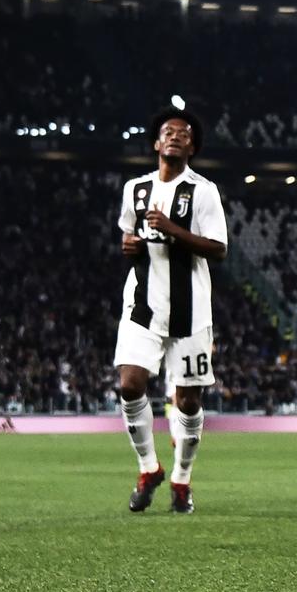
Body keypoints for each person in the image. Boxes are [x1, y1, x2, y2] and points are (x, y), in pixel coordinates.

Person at [115, 107, 227, 514]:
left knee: (189, 402)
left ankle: (181, 478)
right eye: (168, 132)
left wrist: (172, 230)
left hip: (190, 311)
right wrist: (129, 246)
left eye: (184, 133)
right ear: (157, 143)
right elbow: (129, 235)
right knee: (129, 385)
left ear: (192, 146)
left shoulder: (203, 191)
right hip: (143, 305)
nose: (176, 136)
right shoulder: (135, 189)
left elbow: (218, 248)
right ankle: (149, 469)